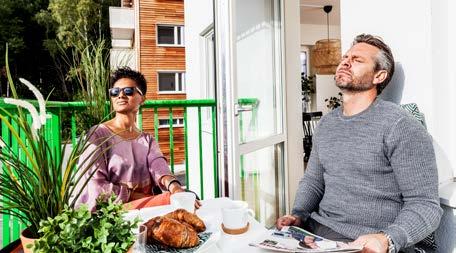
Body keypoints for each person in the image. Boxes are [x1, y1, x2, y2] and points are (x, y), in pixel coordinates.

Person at [276, 34, 442, 253]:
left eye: (357, 59)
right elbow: (313, 180)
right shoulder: (326, 123)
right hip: (316, 234)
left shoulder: (401, 126)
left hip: (366, 241)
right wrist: (298, 214)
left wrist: (387, 240)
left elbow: (425, 204)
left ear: (379, 76)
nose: (345, 61)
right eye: (346, 57)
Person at [76, 67, 195, 210]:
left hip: (145, 208)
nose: (120, 95)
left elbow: (159, 168)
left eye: (128, 91)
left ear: (142, 98)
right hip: (110, 212)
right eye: (115, 92)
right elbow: (96, 186)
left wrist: (175, 187)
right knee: (177, 203)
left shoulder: (147, 139)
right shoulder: (98, 135)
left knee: (188, 198)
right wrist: (144, 198)